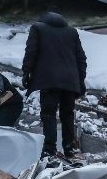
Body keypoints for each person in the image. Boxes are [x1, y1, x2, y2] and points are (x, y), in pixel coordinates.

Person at [21, 9, 87, 157]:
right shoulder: (72, 32)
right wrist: (80, 80)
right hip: (70, 80)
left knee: (48, 114)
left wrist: (26, 72)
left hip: (49, 80)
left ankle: (50, 148)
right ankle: (69, 148)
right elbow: (81, 58)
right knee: (68, 114)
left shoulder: (38, 28)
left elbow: (31, 52)